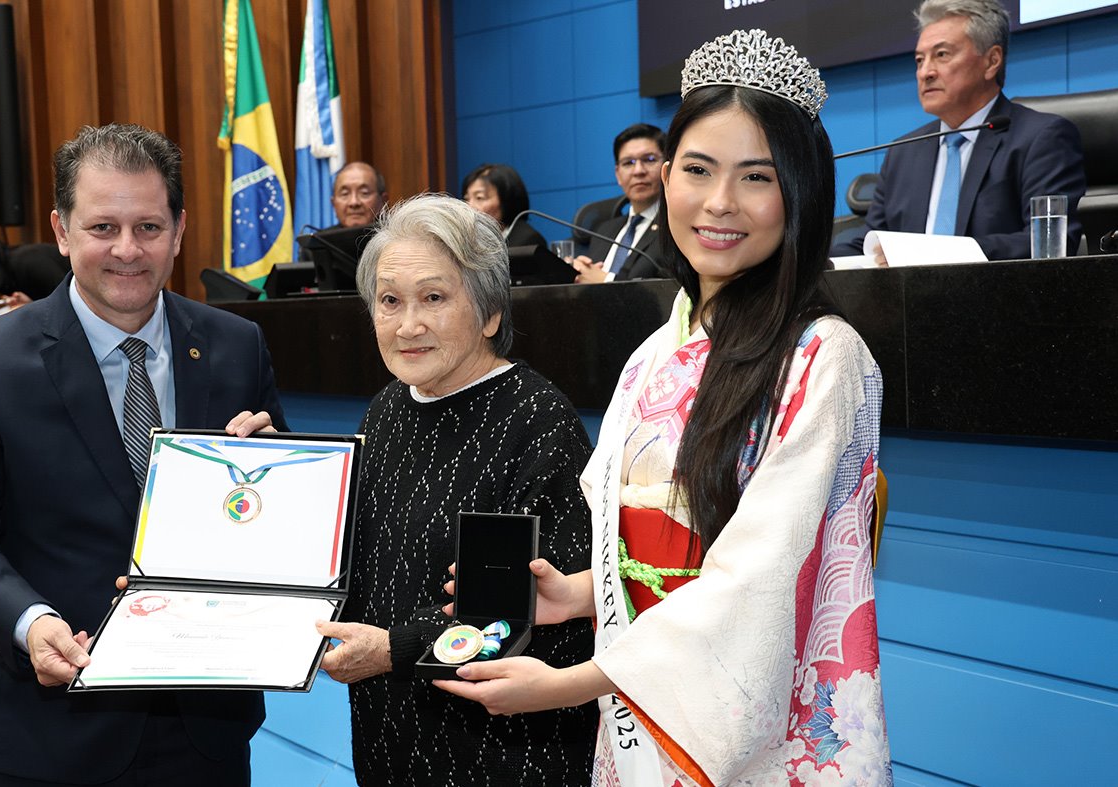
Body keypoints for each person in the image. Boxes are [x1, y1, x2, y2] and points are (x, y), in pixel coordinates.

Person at [438, 29, 893, 785]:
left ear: (801, 191)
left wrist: (571, 683)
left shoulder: (824, 357)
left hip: (755, 725)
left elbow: (755, 584)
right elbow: (633, 542)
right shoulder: (655, 350)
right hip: (642, 693)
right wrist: (574, 594)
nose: (719, 203)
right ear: (666, 176)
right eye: (698, 169)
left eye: (756, 177)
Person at [0, 124, 287, 786]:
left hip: (205, 725)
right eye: (103, 227)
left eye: (149, 227)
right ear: (61, 231)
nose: (128, 249)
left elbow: (275, 526)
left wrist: (278, 481)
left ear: (179, 231)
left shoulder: (237, 345)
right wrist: (29, 622)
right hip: (50, 728)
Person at [313, 194, 597, 784]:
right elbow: (369, 563)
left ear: (490, 313)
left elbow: (534, 622)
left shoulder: (537, 421)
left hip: (505, 751)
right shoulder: (387, 409)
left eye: (434, 298)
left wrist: (392, 650)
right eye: (389, 301)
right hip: (388, 735)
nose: (407, 325)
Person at [831, 0, 1086, 261]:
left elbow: (1049, 243)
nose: (925, 72)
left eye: (942, 55)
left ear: (992, 61)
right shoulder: (903, 152)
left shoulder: (1041, 139)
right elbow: (870, 244)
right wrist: (812, 257)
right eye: (919, 60)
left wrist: (931, 254)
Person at [573, 124, 667, 284]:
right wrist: (579, 272)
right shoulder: (604, 231)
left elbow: (671, 289)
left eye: (649, 159)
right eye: (628, 163)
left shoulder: (674, 229)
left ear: (666, 168)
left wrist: (607, 282)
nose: (638, 170)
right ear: (618, 174)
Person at [461, 162, 548, 248]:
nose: (469, 206)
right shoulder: (468, 240)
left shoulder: (528, 241)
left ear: (506, 200)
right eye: (466, 199)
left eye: (479, 198)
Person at [332, 160, 388, 228]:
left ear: (383, 200)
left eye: (364, 193)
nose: (354, 202)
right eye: (345, 194)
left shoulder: (396, 234)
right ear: (333, 203)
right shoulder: (321, 235)